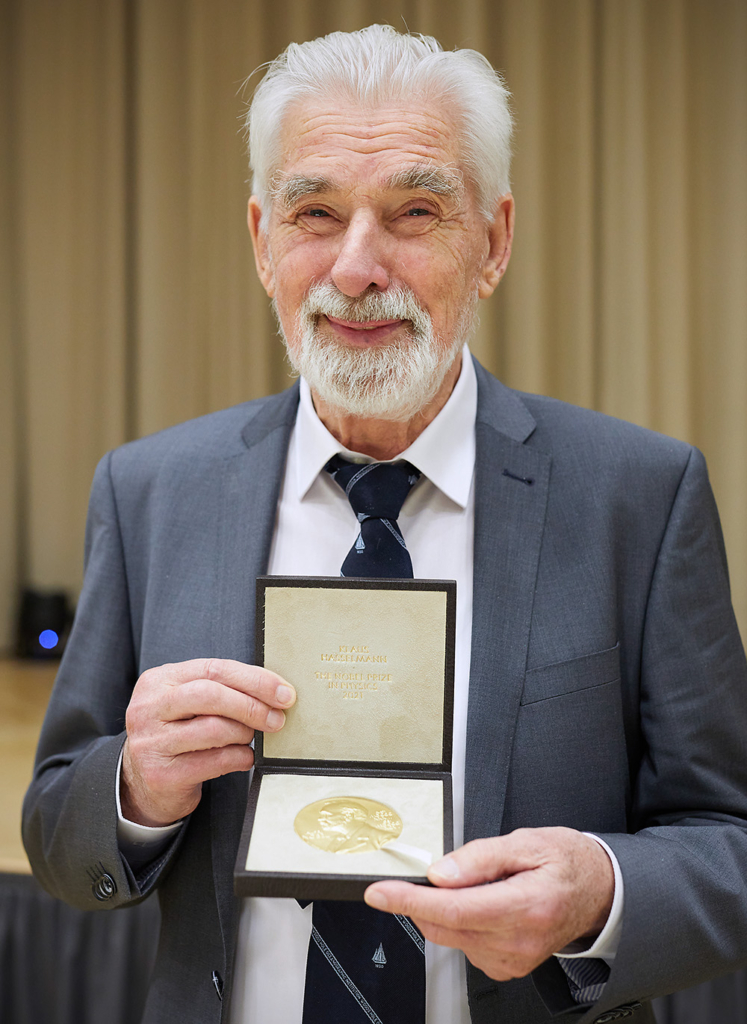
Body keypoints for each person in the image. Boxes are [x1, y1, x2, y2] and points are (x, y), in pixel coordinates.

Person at [22, 24, 747, 1024]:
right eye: (314, 211)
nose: (358, 266)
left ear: (491, 242)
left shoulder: (641, 496)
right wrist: (134, 789)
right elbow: (60, 829)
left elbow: (730, 840)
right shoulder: (149, 491)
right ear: (261, 239)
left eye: (414, 211)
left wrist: (603, 891)